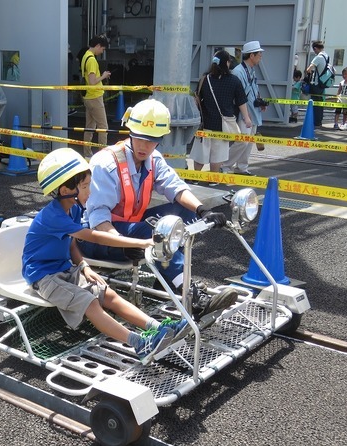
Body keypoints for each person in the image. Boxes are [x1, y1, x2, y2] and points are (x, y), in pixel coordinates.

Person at [22, 148, 191, 365]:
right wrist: (142, 242)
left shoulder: (72, 209)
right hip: (44, 276)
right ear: (66, 189)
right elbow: (97, 237)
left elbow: (72, 242)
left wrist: (83, 266)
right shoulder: (53, 216)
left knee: (108, 294)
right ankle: (139, 344)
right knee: (90, 302)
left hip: (65, 269)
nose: (89, 192)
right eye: (84, 187)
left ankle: (160, 329)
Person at [77, 99, 238, 320]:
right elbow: (98, 219)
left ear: (160, 139)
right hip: (97, 238)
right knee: (155, 232)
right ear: (130, 132)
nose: (145, 146)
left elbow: (175, 187)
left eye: (152, 140)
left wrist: (202, 211)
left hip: (129, 229)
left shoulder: (153, 159)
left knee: (184, 214)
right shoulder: (106, 163)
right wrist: (126, 244)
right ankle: (190, 295)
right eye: (140, 138)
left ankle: (167, 279)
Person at [191, 50, 251, 184]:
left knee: (201, 152)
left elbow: (196, 99)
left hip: (205, 123)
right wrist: (247, 118)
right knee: (218, 153)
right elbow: (241, 101)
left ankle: (195, 177)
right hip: (223, 125)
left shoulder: (205, 79)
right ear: (227, 63)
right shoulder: (233, 81)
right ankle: (213, 178)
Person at [223, 41, 266, 176]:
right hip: (244, 112)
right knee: (243, 140)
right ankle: (225, 165)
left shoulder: (250, 70)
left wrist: (260, 102)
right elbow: (238, 96)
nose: (261, 56)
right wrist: (246, 114)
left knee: (249, 141)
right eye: (259, 54)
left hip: (252, 110)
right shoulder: (239, 72)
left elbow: (253, 90)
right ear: (251, 55)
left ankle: (242, 167)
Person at [81, 35, 111, 158]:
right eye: (102, 49)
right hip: (95, 97)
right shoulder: (92, 60)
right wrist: (103, 76)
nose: (102, 51)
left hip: (88, 97)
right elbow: (92, 81)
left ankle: (87, 154)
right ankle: (103, 156)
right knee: (103, 127)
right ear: (98, 46)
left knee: (90, 127)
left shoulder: (85, 56)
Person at [306, 41, 332, 128]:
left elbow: (309, 69)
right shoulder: (326, 56)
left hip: (316, 83)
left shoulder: (319, 57)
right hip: (322, 83)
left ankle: (315, 122)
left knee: (315, 103)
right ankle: (319, 121)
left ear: (315, 48)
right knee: (320, 103)